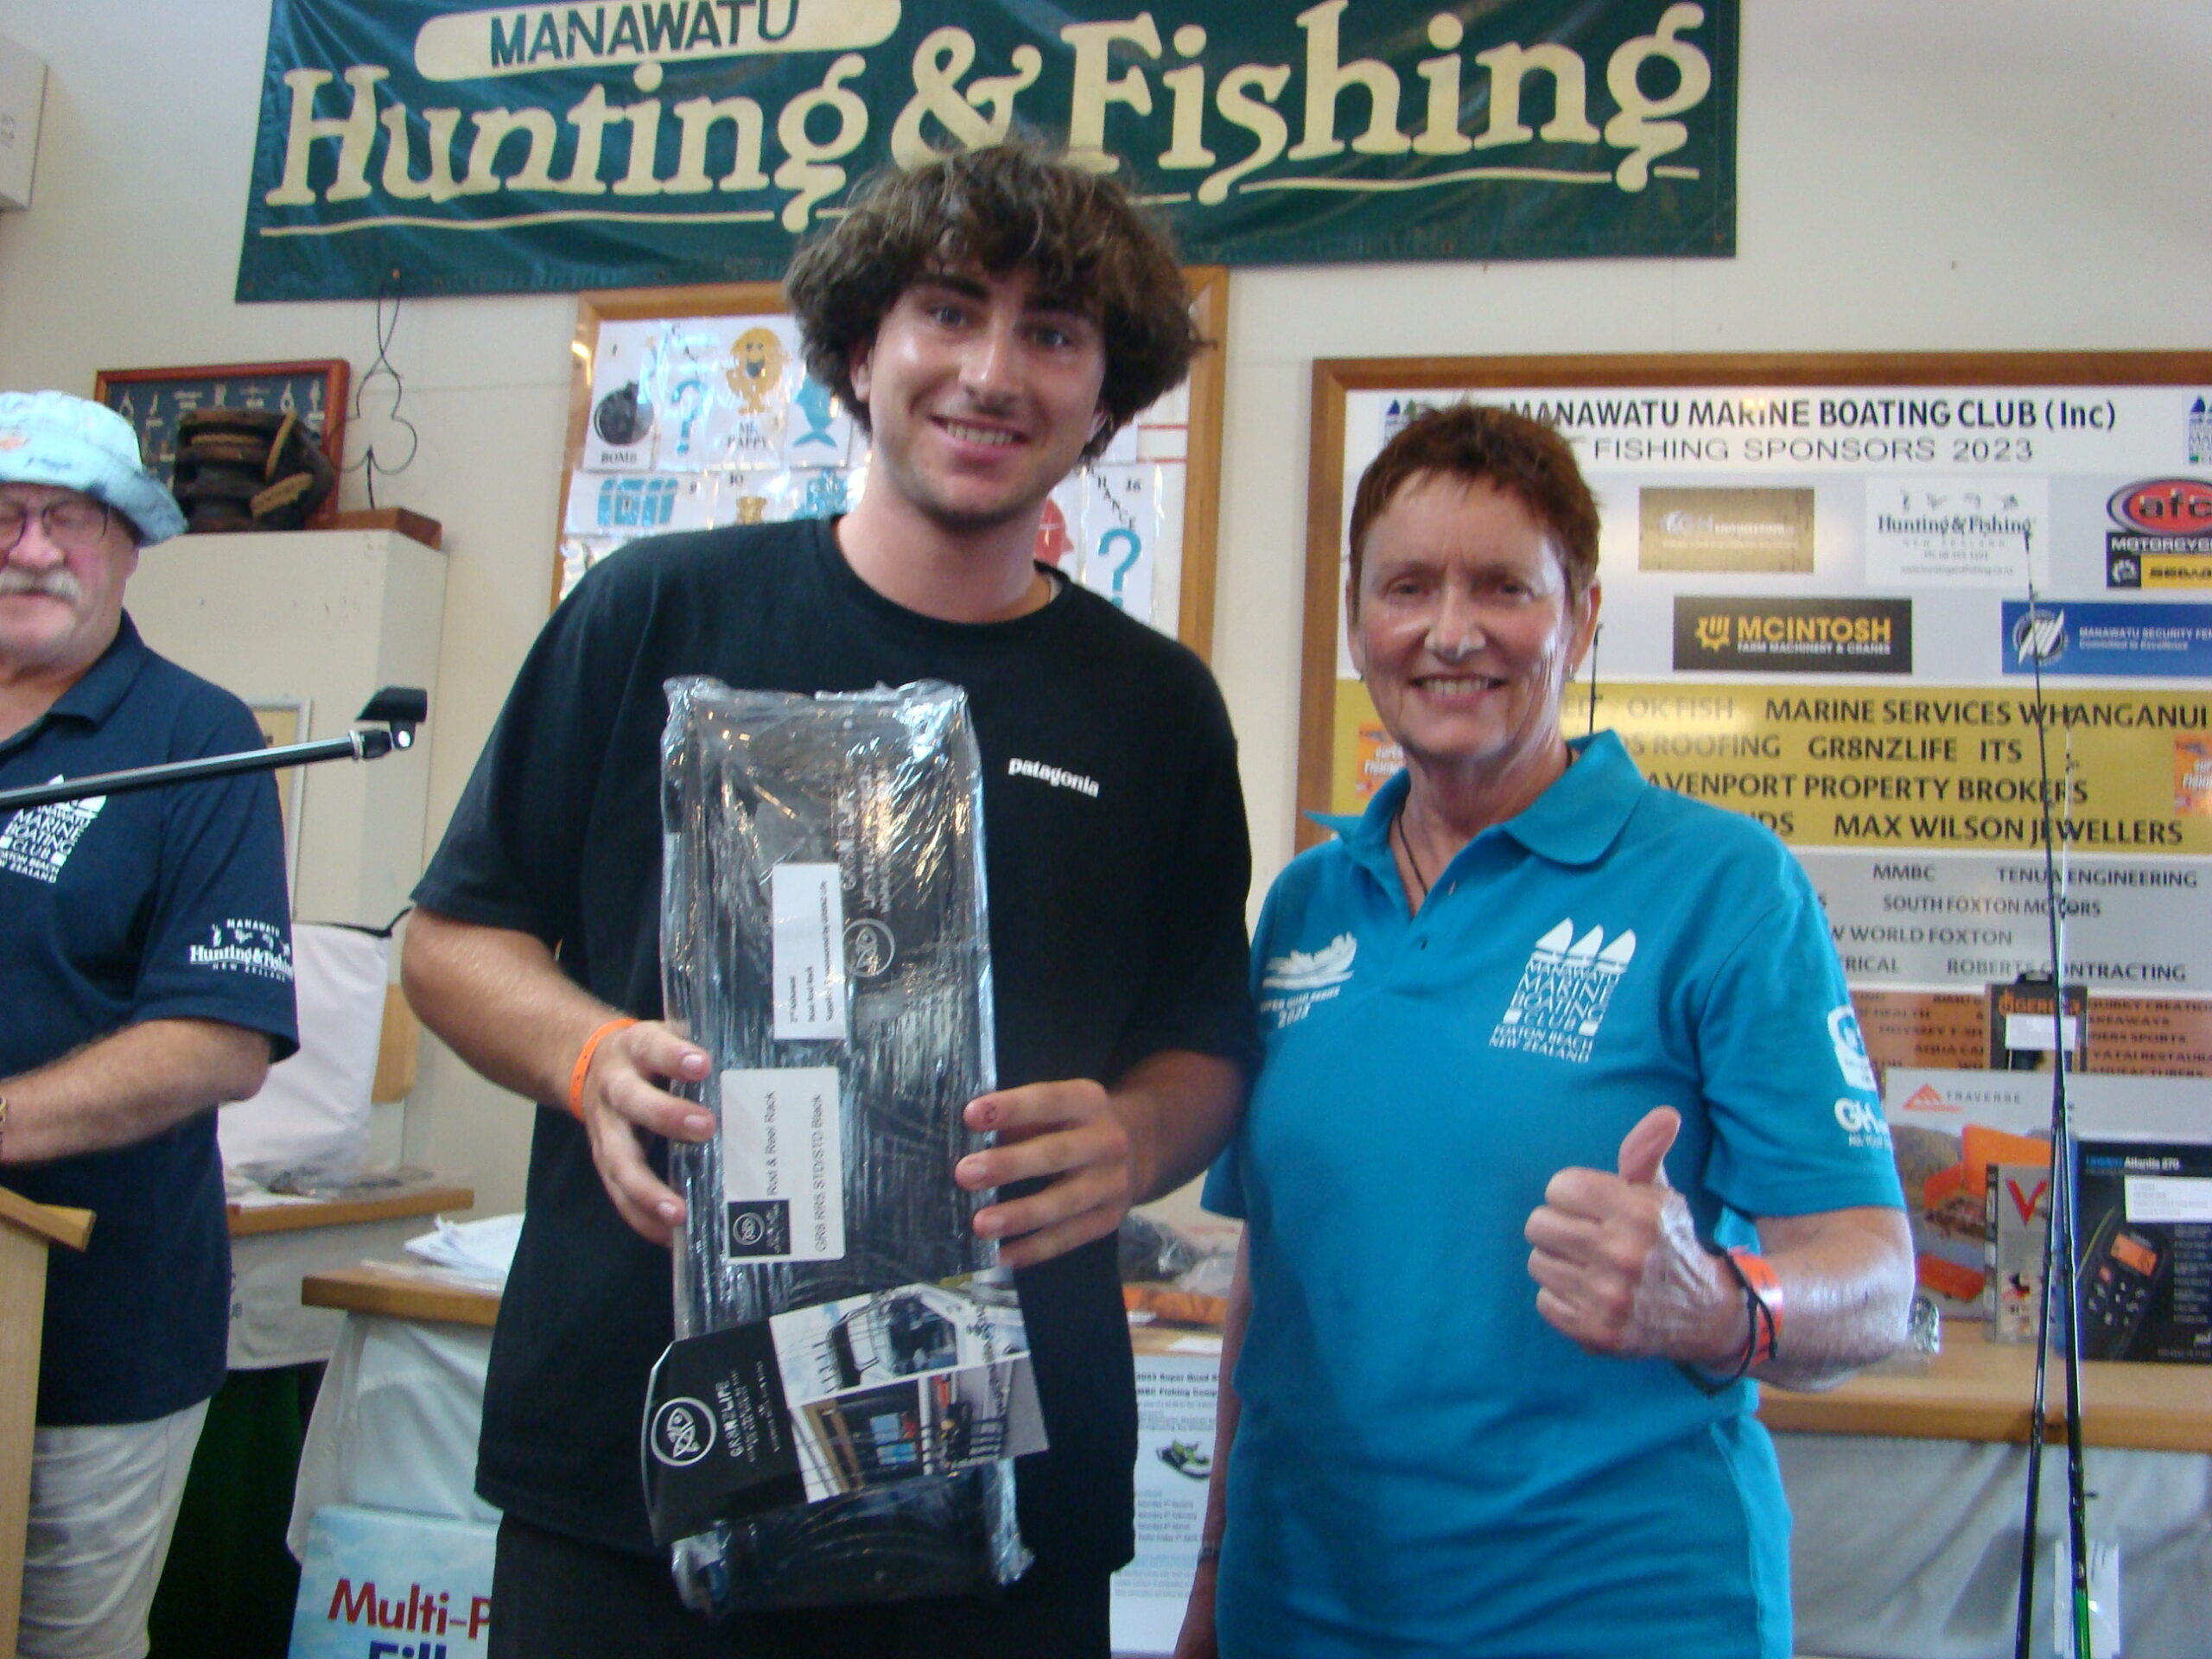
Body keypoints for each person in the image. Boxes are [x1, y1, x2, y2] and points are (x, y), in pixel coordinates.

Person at [402, 143, 1253, 1658]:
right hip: (638, 1476)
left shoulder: (1155, 708)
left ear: (1104, 397)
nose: (992, 373)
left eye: (1054, 333)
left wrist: (1134, 1139)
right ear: (862, 351)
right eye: (949, 311)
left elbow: (1204, 1043)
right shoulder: (653, 609)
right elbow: (454, 938)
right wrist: (588, 1057)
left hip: (997, 1493)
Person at [1177, 404, 1913, 1659]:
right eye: (1408, 586)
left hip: (1617, 1614)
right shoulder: (1307, 903)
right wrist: (1210, 1578)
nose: (1451, 630)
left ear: (1582, 617)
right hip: (1298, 1609)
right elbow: (1273, 1270)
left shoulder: (1725, 887)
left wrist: (1718, 1303)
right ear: (1358, 622)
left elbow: (1877, 1279)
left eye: (1504, 587)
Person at [0, 390, 297, 1659]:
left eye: (69, 518)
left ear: (129, 544)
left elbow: (221, 1038)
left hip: (94, 1345)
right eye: (4, 517)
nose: (32, 549)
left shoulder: (195, 740)